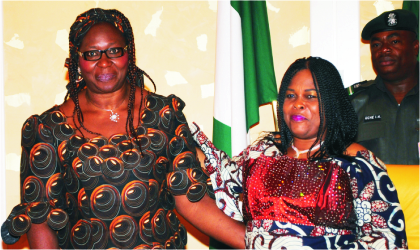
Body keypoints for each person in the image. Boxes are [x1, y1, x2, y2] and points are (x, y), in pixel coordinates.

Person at [1, 8, 245, 249]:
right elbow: (40, 219)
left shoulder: (164, 115)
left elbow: (191, 199)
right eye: (92, 53)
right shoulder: (48, 128)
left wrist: (257, 242)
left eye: (114, 51)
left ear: (129, 55)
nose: (104, 62)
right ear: (77, 60)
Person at [190, 57, 407, 249]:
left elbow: (388, 240)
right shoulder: (262, 153)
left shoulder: (356, 161)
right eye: (290, 95)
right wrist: (178, 132)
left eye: (310, 96)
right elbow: (218, 173)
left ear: (331, 104)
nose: (298, 104)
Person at [347, 9, 419, 165]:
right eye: (376, 44)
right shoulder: (353, 104)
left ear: (415, 47)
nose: (383, 49)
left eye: (394, 42)